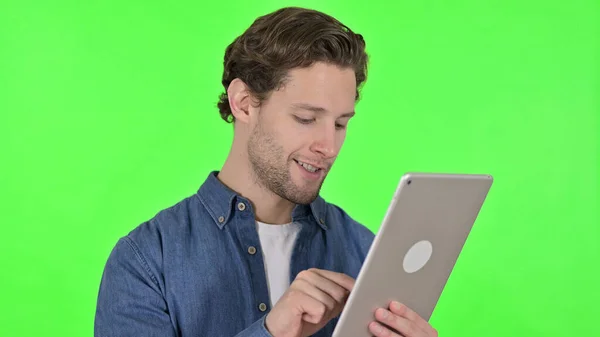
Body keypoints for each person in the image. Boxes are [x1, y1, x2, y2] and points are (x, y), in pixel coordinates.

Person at [94, 6, 438, 337]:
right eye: (305, 118)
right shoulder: (146, 262)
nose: (328, 146)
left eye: (340, 123)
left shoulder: (366, 253)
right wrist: (272, 332)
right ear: (243, 102)